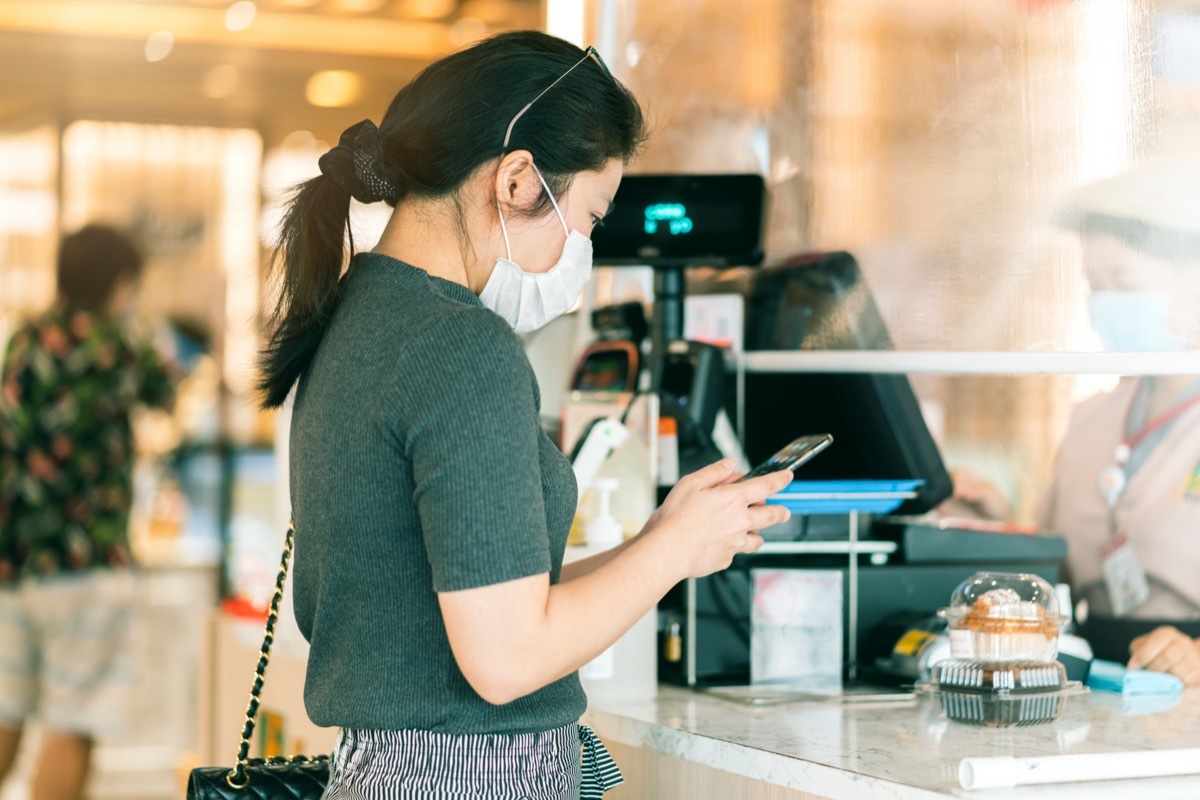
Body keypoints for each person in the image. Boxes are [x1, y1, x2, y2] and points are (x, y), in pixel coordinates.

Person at [259, 31, 791, 799]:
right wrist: (671, 554)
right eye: (591, 216)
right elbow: (504, 660)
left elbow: (456, 598)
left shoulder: (360, 318)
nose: (584, 247)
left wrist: (660, 542)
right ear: (515, 180)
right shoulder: (461, 347)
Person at [951, 157, 1200, 685]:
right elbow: (1058, 568)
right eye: (1095, 285)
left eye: (1124, 281)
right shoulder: (1094, 417)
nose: (1106, 303)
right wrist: (1001, 527)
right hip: (1100, 679)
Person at [0, 225, 175, 800]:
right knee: (72, 722)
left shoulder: (24, 341)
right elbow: (166, 393)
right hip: (86, 562)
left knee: (5, 713)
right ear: (120, 285)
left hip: (13, 560)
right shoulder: (117, 344)